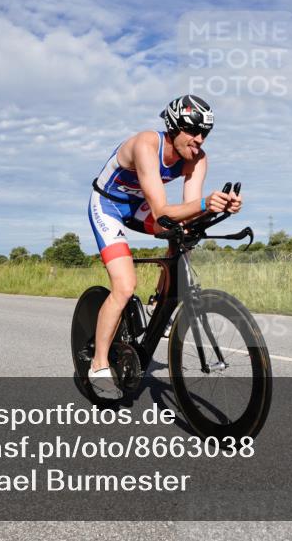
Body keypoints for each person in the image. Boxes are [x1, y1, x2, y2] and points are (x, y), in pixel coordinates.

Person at [87, 95, 241, 399]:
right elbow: (161, 213)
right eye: (193, 131)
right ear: (173, 127)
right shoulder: (146, 145)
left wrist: (219, 207)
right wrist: (203, 204)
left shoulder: (197, 158)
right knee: (124, 286)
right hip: (109, 207)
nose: (199, 139)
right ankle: (99, 364)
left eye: (205, 133)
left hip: (139, 207)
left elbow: (188, 209)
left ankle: (161, 303)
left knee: (186, 230)